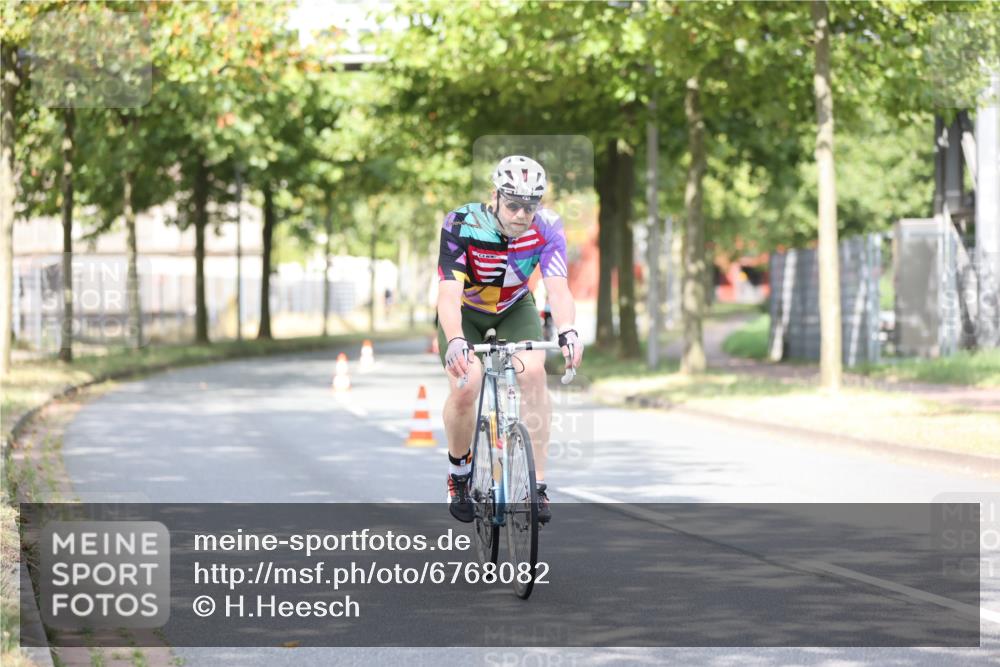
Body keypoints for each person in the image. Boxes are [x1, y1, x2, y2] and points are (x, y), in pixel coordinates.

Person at [435, 155, 584, 524]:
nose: (521, 214)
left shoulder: (547, 227)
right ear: (495, 196)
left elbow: (558, 288)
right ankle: (458, 474)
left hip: (515, 308)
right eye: (513, 204)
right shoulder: (461, 222)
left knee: (533, 374)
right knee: (466, 383)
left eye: (530, 206)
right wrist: (455, 339)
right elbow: (449, 293)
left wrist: (567, 329)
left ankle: (538, 486)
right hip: (467, 312)